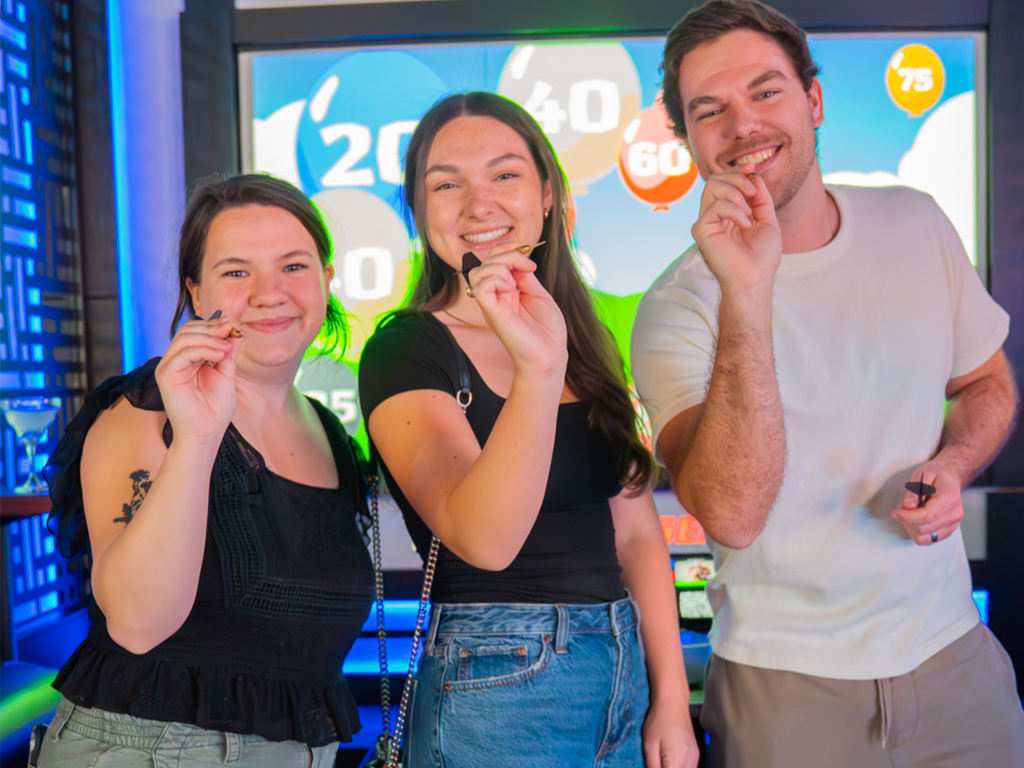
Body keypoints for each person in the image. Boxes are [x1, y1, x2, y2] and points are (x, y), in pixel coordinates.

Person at [631, 1, 1024, 766]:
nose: (743, 125)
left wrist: (953, 465)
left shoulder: (917, 223)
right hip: (786, 690)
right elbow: (732, 516)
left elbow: (986, 383)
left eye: (766, 91)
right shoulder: (676, 308)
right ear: (686, 141)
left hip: (955, 660)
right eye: (710, 110)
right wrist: (748, 290)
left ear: (813, 100)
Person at [358, 92, 700, 768]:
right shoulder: (407, 350)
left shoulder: (585, 337)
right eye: (445, 184)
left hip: (620, 663)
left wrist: (670, 699)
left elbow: (633, 532)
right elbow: (484, 540)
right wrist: (538, 370)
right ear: (420, 213)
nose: (477, 202)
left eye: (505, 174)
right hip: (495, 674)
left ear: (548, 194)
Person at [38, 174, 374, 767]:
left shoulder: (333, 437)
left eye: (294, 266)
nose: (270, 292)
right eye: (237, 271)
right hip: (151, 750)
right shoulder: (147, 410)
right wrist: (197, 436)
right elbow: (138, 624)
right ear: (196, 292)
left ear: (326, 280)